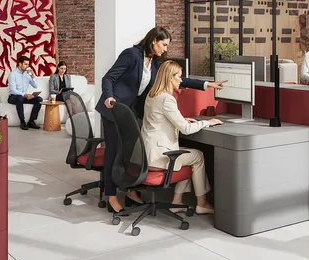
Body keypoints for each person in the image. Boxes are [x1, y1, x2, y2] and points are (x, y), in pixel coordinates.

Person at [95, 26, 227, 213]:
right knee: (114, 151)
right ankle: (111, 196)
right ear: (153, 41)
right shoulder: (131, 55)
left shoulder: (156, 63)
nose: (165, 49)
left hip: (131, 112)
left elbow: (177, 79)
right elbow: (108, 78)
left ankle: (131, 192)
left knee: (130, 154)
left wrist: (207, 84)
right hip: (114, 109)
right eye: (163, 44)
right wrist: (109, 96)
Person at [142, 61, 222, 214]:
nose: (181, 80)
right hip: (159, 157)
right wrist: (207, 122)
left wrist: (181, 118)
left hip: (146, 154)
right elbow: (185, 130)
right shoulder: (167, 99)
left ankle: (177, 202)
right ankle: (202, 204)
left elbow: (159, 118)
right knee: (197, 156)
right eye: (178, 76)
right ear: (169, 78)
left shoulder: (152, 95)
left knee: (186, 155)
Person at [7, 55, 42, 130]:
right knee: (20, 98)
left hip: (24, 97)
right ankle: (22, 122)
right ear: (20, 64)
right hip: (13, 97)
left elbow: (35, 86)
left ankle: (31, 121)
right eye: (25, 64)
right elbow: (13, 90)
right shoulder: (12, 74)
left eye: (28, 64)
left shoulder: (27, 74)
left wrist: (32, 75)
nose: (27, 66)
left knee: (39, 99)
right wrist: (24, 95)